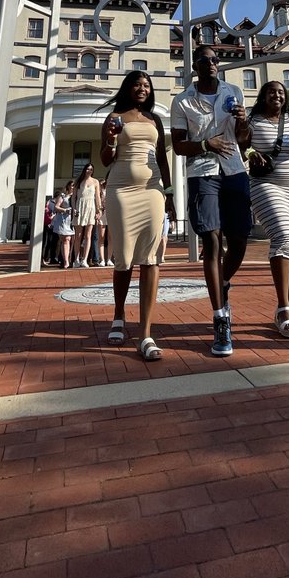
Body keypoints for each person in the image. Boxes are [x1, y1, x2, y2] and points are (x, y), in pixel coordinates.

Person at [171, 46, 251, 358]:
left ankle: (222, 282)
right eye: (207, 59)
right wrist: (205, 143)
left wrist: (243, 121)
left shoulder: (234, 92)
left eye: (217, 59)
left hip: (234, 169)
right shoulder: (182, 100)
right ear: (197, 65)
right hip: (202, 174)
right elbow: (178, 146)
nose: (214, 63)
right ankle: (221, 318)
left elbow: (243, 138)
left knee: (240, 240)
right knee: (212, 243)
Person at [100, 71, 175, 361]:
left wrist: (169, 194)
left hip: (152, 191)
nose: (142, 89)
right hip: (121, 190)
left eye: (147, 85)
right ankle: (119, 314)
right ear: (128, 88)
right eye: (137, 84)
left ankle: (145, 333)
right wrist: (110, 140)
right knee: (123, 258)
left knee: (151, 258)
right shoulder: (114, 117)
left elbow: (163, 158)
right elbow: (105, 159)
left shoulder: (155, 120)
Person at [246, 81, 289, 336]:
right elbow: (241, 146)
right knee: (283, 235)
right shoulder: (253, 121)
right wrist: (252, 152)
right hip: (265, 183)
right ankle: (284, 305)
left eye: (281, 92)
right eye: (272, 91)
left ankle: (288, 305)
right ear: (263, 96)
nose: (277, 95)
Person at [72, 162, 101, 268]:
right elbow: (73, 197)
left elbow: (97, 197)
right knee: (78, 236)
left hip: (91, 208)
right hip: (80, 207)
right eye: (88, 169)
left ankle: (84, 259)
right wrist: (74, 208)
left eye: (91, 169)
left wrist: (99, 210)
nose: (89, 171)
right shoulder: (78, 181)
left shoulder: (96, 182)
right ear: (84, 170)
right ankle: (76, 259)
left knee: (88, 235)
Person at [52, 180, 75, 268]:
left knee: (71, 240)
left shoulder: (76, 196)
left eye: (74, 186)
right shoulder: (63, 196)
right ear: (68, 186)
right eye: (72, 185)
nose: (73, 187)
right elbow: (56, 207)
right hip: (63, 220)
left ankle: (69, 259)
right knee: (66, 239)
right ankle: (66, 261)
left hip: (73, 220)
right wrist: (65, 210)